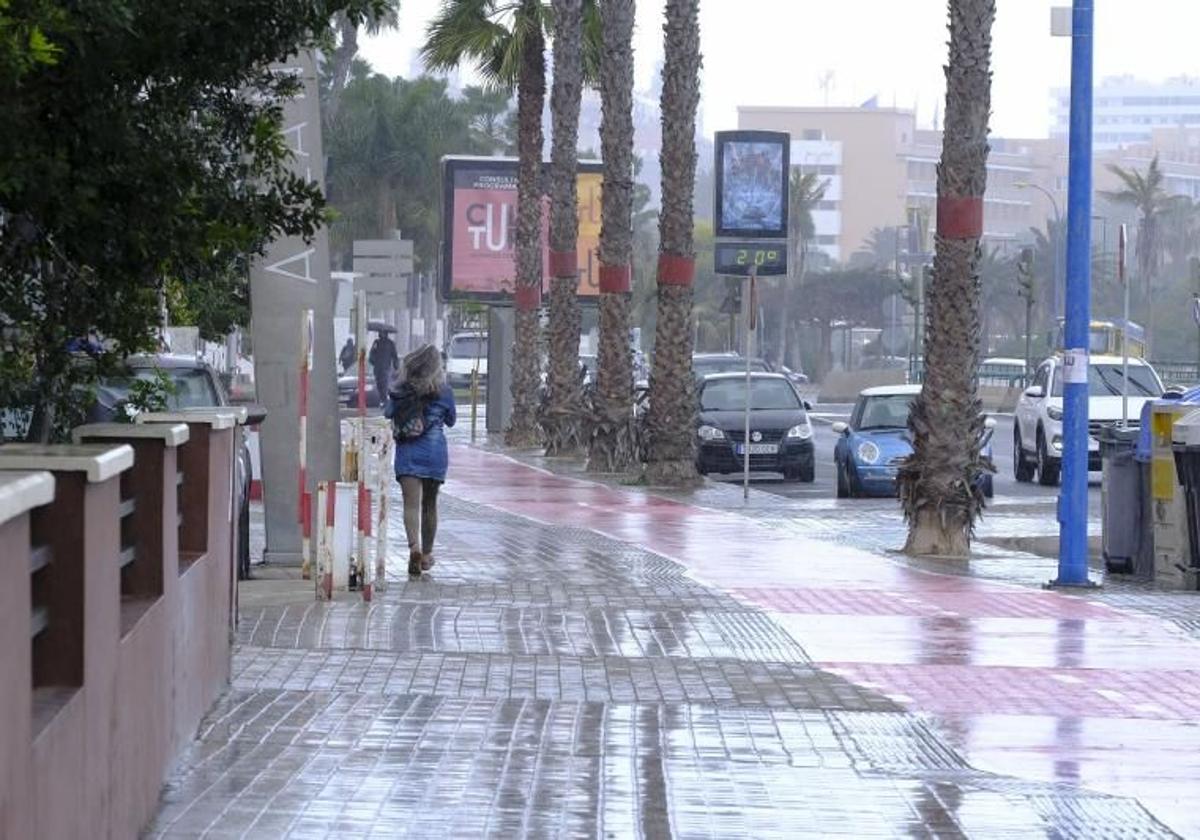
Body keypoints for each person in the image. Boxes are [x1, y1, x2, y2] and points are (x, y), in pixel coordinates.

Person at [384, 345, 457, 577]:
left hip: (408, 451)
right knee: (429, 504)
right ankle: (426, 555)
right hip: (434, 452)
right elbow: (452, 420)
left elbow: (387, 413)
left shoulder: (400, 389)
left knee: (410, 505)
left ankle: (413, 549)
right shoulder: (444, 391)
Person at [368, 331, 399, 402]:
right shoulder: (377, 342)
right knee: (380, 384)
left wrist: (396, 366)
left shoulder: (390, 343)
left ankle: (384, 399)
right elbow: (371, 354)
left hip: (384, 368)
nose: (380, 334)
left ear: (386, 333)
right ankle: (383, 399)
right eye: (380, 332)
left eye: (382, 333)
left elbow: (394, 356)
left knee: (384, 384)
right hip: (381, 367)